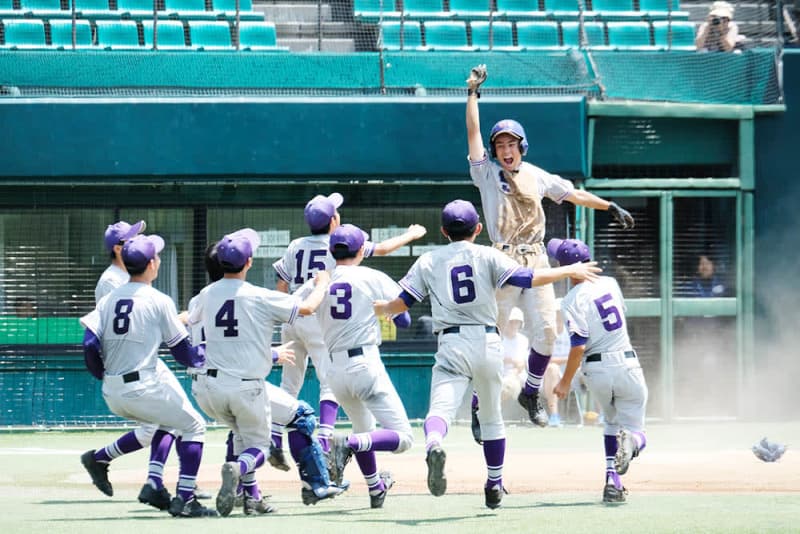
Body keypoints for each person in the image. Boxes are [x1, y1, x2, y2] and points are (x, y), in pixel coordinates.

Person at [373, 200, 601, 509]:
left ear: (443, 231)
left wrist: (379, 309)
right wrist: (568, 270)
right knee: (492, 417)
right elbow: (528, 279)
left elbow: (401, 304)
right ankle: (494, 484)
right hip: (486, 340)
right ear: (478, 229)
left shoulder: (428, 260)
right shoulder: (489, 254)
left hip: (451, 342)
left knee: (439, 410)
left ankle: (434, 443)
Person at [465, 64, 635, 429]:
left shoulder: (537, 174)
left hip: (537, 257)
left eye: (511, 143)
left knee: (546, 334)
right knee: (492, 339)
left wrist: (609, 205)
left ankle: (530, 391)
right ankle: (481, 405)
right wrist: (472, 94)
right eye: (500, 144)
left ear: (521, 147)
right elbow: (474, 133)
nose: (505, 149)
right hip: (503, 258)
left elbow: (571, 193)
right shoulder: (487, 174)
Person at [187, 238, 348, 511]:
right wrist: (321, 283)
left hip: (204, 388)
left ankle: (251, 497)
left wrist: (270, 353)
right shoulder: (258, 295)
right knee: (293, 422)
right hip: (243, 387)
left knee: (241, 435)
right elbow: (307, 308)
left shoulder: (202, 297)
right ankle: (314, 485)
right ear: (248, 263)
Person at [271, 192, 426, 456]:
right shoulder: (344, 249)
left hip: (299, 308)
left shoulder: (296, 244)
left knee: (290, 383)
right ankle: (326, 437)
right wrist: (410, 234)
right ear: (334, 221)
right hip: (326, 320)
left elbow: (282, 285)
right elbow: (385, 250)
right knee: (328, 382)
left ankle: (274, 436)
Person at [79, 233, 216, 517]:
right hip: (141, 386)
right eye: (157, 257)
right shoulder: (158, 299)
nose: (160, 260)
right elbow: (182, 352)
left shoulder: (109, 299)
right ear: (152, 264)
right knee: (194, 427)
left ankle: (154, 483)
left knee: (169, 418)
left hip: (113, 389)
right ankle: (186, 500)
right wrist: (202, 355)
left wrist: (103, 375)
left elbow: (89, 343)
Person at [317, 224, 415, 509]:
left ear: (331, 251)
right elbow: (404, 321)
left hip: (334, 371)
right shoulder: (372, 276)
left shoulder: (321, 281)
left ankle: (375, 488)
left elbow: (299, 311)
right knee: (403, 438)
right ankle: (346, 444)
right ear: (361, 250)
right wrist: (384, 310)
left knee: (365, 431)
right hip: (365, 364)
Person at [549, 237, 648, 504]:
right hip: (626, 362)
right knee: (636, 431)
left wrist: (565, 382)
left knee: (611, 423)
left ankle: (612, 483)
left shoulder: (569, 300)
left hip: (596, 369)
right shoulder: (610, 283)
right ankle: (633, 444)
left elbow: (579, 344)